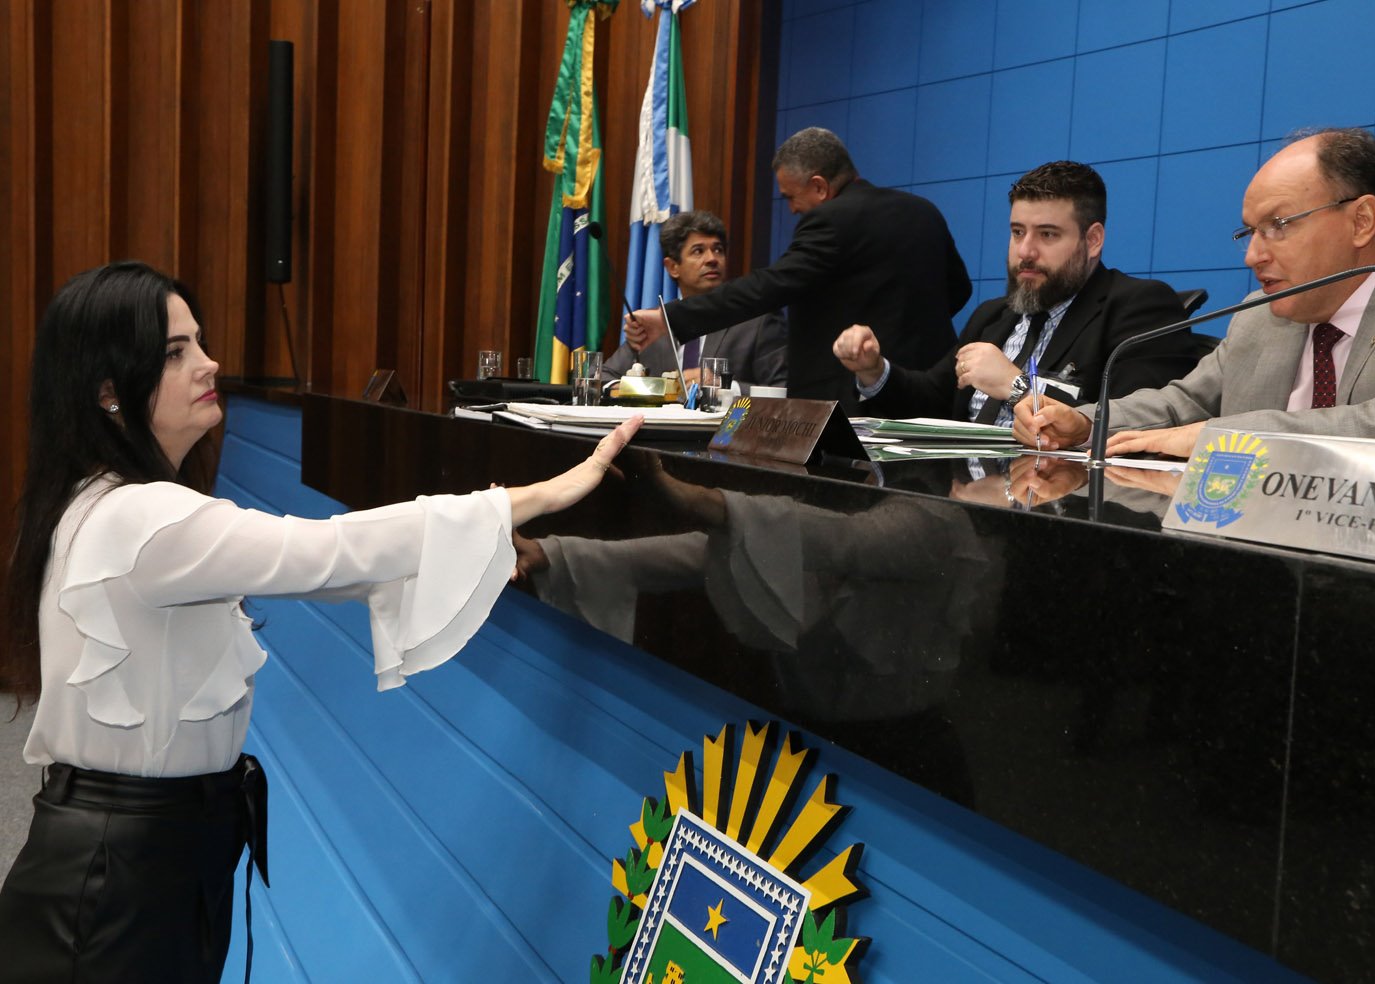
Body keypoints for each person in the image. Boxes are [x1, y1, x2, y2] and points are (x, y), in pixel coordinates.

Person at [0, 261, 641, 982]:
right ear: (108, 391)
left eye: (199, 341)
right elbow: (329, 552)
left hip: (148, 854)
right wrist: (537, 495)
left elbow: (339, 571)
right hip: (119, 872)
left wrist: (483, 539)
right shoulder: (143, 515)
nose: (209, 363)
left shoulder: (109, 498)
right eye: (175, 352)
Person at [1015, 128, 1375, 456]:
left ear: (1361, 221)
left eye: (1278, 225)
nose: (1252, 256)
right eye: (1250, 232)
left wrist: (1221, 437)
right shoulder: (1261, 313)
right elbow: (1183, 404)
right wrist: (1086, 422)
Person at [622, 127, 972, 407]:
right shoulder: (924, 211)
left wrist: (670, 319)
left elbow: (769, 287)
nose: (791, 209)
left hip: (856, 398)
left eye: (790, 196)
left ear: (819, 187)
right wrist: (903, 330)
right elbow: (959, 289)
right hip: (932, 388)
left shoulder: (829, 220)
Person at [833, 161, 1198, 423]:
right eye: (1018, 232)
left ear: (1093, 240)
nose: (1025, 251)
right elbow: (932, 398)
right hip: (964, 492)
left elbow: (1133, 420)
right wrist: (874, 371)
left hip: (1061, 500)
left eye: (1048, 234)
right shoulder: (994, 315)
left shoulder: (1140, 306)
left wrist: (1016, 385)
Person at [601, 210, 787, 388]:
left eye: (718, 250)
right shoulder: (658, 322)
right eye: (698, 251)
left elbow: (782, 391)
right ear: (672, 267)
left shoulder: (758, 320)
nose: (712, 259)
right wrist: (646, 390)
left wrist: (724, 386)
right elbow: (603, 377)